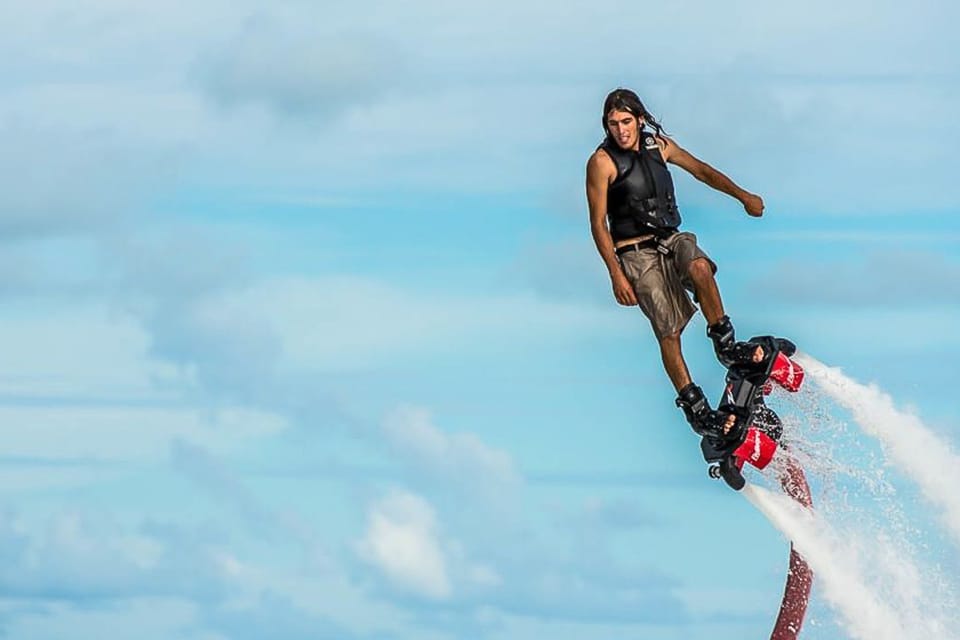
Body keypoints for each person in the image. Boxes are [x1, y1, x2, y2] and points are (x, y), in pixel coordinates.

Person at [585, 87, 766, 438]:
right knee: (669, 331)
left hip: (670, 238)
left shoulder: (660, 146)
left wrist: (743, 196)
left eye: (626, 122)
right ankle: (697, 410)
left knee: (700, 266)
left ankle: (726, 345)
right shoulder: (601, 162)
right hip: (635, 253)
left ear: (639, 119)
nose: (621, 130)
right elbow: (597, 223)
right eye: (613, 124)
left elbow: (700, 170)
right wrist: (616, 275)